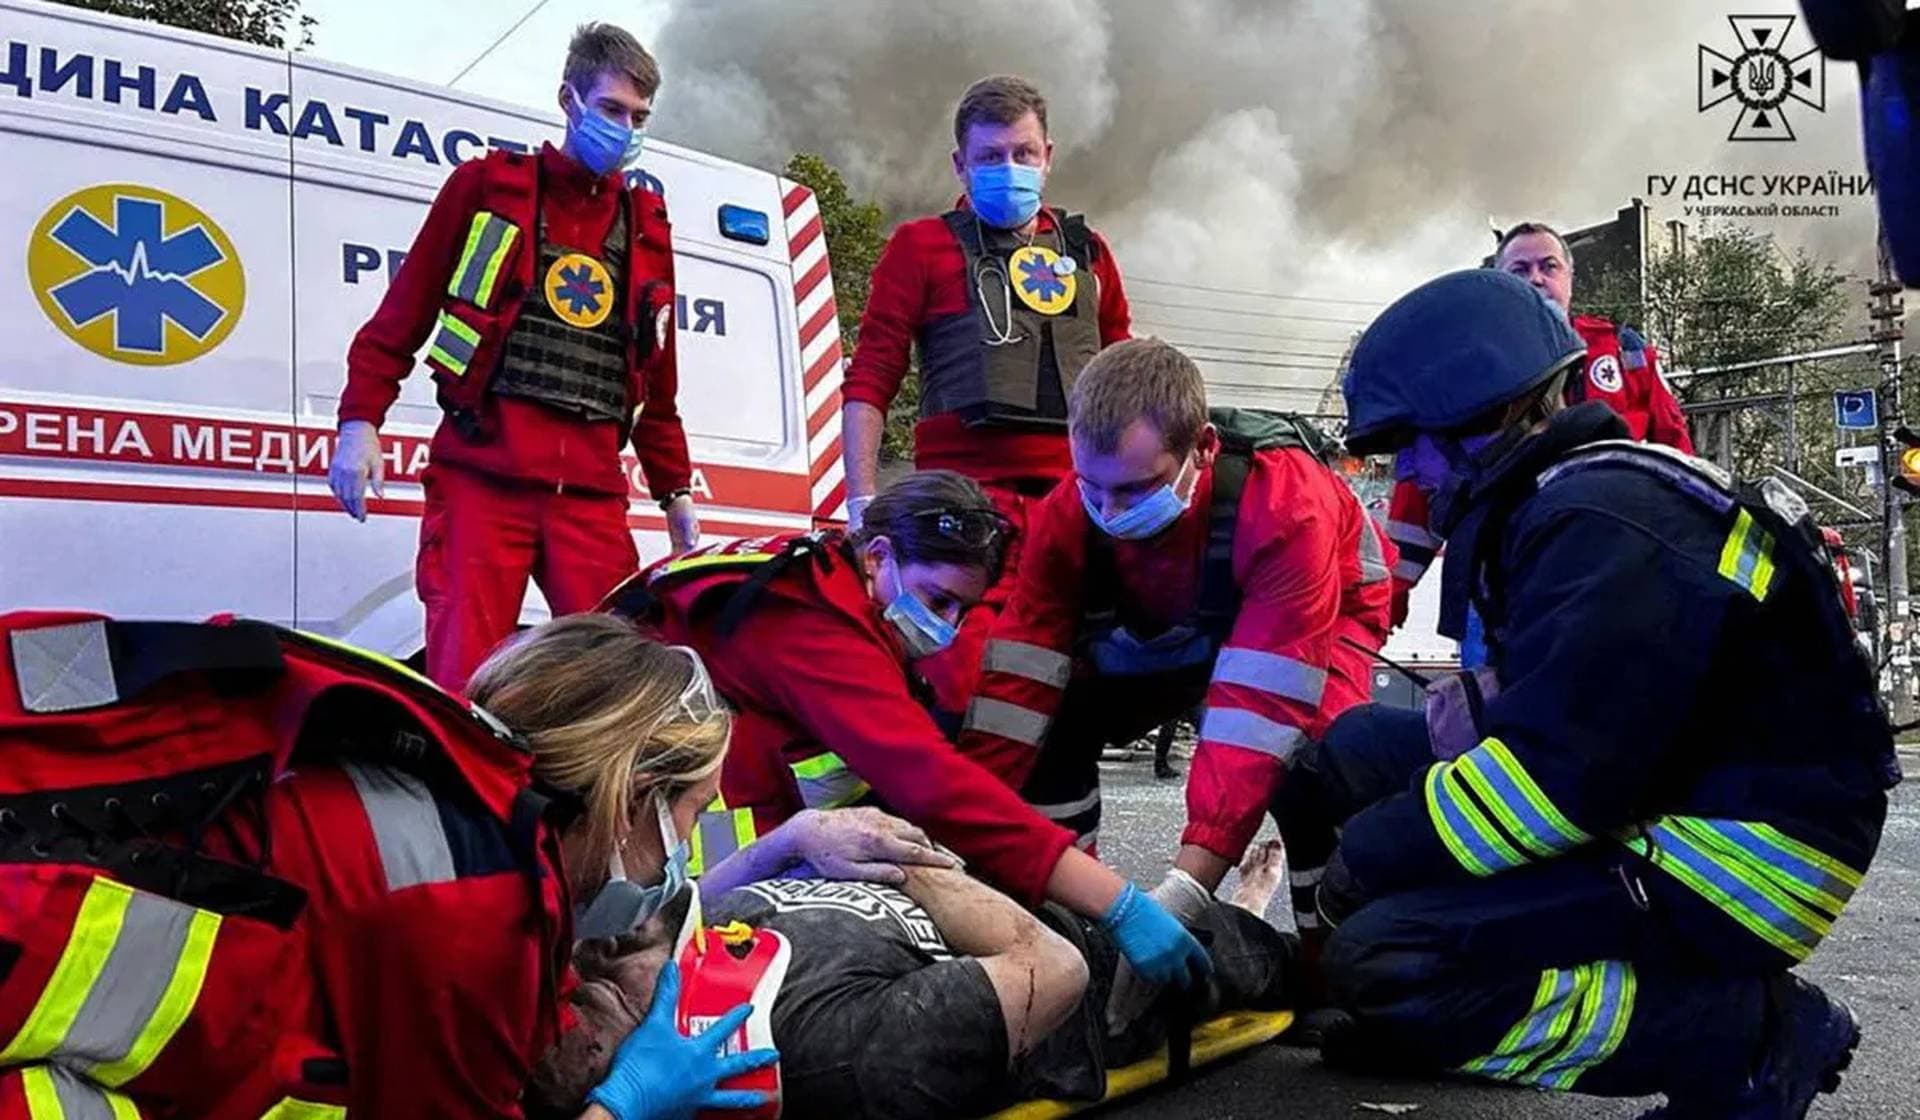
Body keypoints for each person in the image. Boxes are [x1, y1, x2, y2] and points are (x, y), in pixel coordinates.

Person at [1295, 269, 1894, 1117]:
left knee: (1389, 958)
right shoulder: (1564, 500)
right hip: (1670, 795)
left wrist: (1374, 857)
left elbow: (1553, 785)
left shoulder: (1600, 521)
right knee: (1348, 751)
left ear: (1489, 413)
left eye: (1414, 440)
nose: (1410, 468)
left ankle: (1748, 1034)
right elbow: (1544, 715)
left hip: (1741, 854)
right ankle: (1390, 1005)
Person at [0, 610, 952, 1119]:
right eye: (693, 816)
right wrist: (627, 1103)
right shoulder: (474, 917)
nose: (682, 864)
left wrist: (781, 848)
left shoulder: (439, 762)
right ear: (629, 799)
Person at [612, 469, 1211, 992]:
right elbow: (932, 783)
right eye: (938, 599)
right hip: (643, 838)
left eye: (962, 610)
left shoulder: (829, 589)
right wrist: (1117, 904)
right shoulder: (810, 624)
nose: (947, 625)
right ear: (878, 556)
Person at [960, 338, 1393, 939]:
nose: (1108, 512)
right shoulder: (1071, 510)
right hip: (1183, 622)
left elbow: (1260, 713)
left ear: (1204, 448)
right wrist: (968, 829)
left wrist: (1184, 890)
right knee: (1055, 724)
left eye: (1136, 490)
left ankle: (1330, 959)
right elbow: (1017, 686)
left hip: (1320, 617)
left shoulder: (1287, 508)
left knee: (1313, 762)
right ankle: (1068, 922)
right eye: (1092, 484)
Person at [329, 22, 700, 692]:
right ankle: (465, 798)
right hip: (482, 479)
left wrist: (675, 494)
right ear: (569, 99)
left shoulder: (645, 224)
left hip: (590, 497)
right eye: (612, 110)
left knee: (616, 684)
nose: (625, 129)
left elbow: (657, 378)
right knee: (463, 679)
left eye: (639, 117)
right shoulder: (486, 190)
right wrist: (360, 422)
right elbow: (404, 312)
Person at [531, 841, 1300, 1120]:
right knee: (1266, 960)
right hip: (1097, 974)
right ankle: (1248, 913)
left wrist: (790, 842)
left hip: (1005, 905)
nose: (594, 956)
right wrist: (909, 856)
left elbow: (685, 897)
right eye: (596, 994)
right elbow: (1052, 969)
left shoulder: (685, 944)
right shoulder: (834, 1050)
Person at [840, 74, 1133, 710]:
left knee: (1074, 683)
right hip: (964, 507)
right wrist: (862, 500)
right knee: (964, 681)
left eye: (1023, 154)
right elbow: (871, 376)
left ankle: (1053, 809)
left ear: (1048, 157)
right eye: (990, 157)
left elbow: (1124, 385)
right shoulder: (920, 247)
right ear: (961, 164)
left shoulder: (1090, 254)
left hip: (1073, 504)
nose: (1009, 168)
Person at [1381, 221, 1695, 630]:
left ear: (1570, 278)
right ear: (1499, 286)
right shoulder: (1467, 374)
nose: (1536, 279)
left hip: (1620, 577)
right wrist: (1384, 602)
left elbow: (1679, 461)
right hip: (1507, 582)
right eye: (1520, 270)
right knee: (1500, 691)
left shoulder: (1624, 354)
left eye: (1549, 266)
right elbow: (1423, 493)